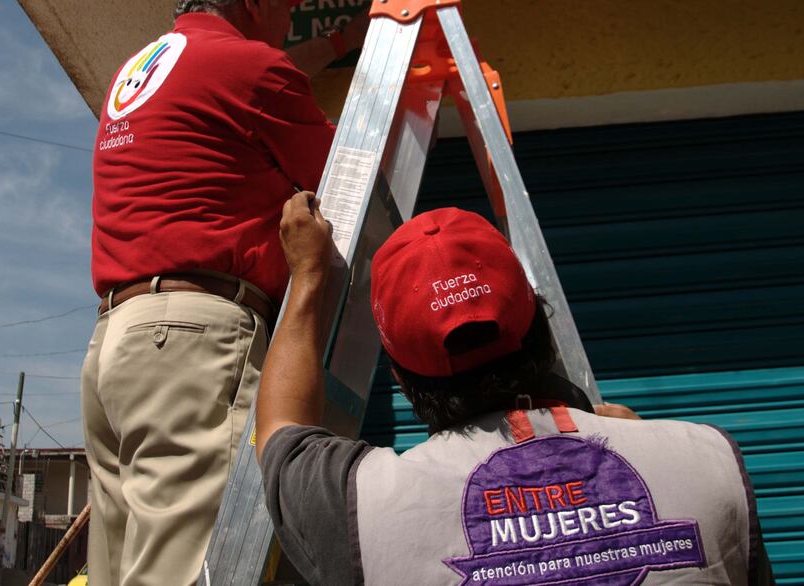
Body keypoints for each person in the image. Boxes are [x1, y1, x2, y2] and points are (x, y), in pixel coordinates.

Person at [255, 193, 776, 585]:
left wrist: (308, 274)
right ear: (543, 331)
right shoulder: (709, 460)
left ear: (399, 377)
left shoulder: (360, 508)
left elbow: (281, 428)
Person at [80, 0, 367, 585]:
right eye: (285, 2)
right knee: (193, 567)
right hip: (191, 345)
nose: (292, 17)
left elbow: (255, 85)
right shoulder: (251, 70)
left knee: (126, 568)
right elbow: (340, 180)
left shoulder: (140, 69)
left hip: (116, 346)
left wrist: (340, 42)